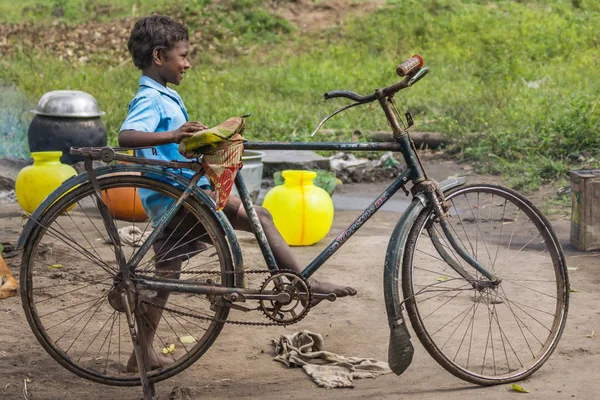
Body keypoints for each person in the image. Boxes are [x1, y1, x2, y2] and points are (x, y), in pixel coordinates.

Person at [118, 15, 356, 371]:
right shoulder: (150, 99)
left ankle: (140, 354)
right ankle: (306, 283)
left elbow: (171, 148)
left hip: (174, 198)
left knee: (166, 275)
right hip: (181, 199)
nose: (187, 63)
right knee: (261, 216)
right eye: (182, 55)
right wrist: (174, 135)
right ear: (158, 56)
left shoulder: (165, 94)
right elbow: (127, 137)